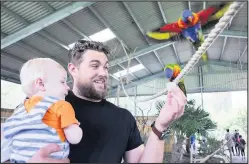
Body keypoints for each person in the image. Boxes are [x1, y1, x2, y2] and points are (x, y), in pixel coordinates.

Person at [2, 40, 187, 163]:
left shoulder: (123, 118)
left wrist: (161, 126)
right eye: (95, 66)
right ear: (73, 69)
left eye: (106, 67)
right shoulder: (41, 105)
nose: (104, 73)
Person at [1, 58, 83, 163]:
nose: (67, 87)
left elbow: (6, 133)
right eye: (62, 81)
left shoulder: (20, 110)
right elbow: (75, 138)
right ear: (41, 84)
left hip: (17, 159)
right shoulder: (61, 105)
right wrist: (76, 128)